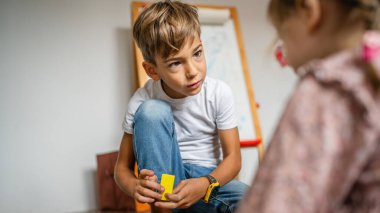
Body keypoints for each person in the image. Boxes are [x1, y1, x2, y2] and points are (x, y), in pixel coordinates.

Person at [237, 0, 380, 212]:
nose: (285, 57)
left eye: (282, 37)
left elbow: (278, 203)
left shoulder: (331, 87)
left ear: (308, 10)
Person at [114, 1, 247, 212]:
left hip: (208, 183)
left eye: (197, 53)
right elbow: (122, 169)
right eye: (176, 63)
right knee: (152, 110)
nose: (193, 71)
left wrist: (204, 184)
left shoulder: (219, 93)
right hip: (167, 185)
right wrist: (134, 186)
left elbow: (233, 159)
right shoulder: (141, 99)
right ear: (152, 70)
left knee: (255, 200)